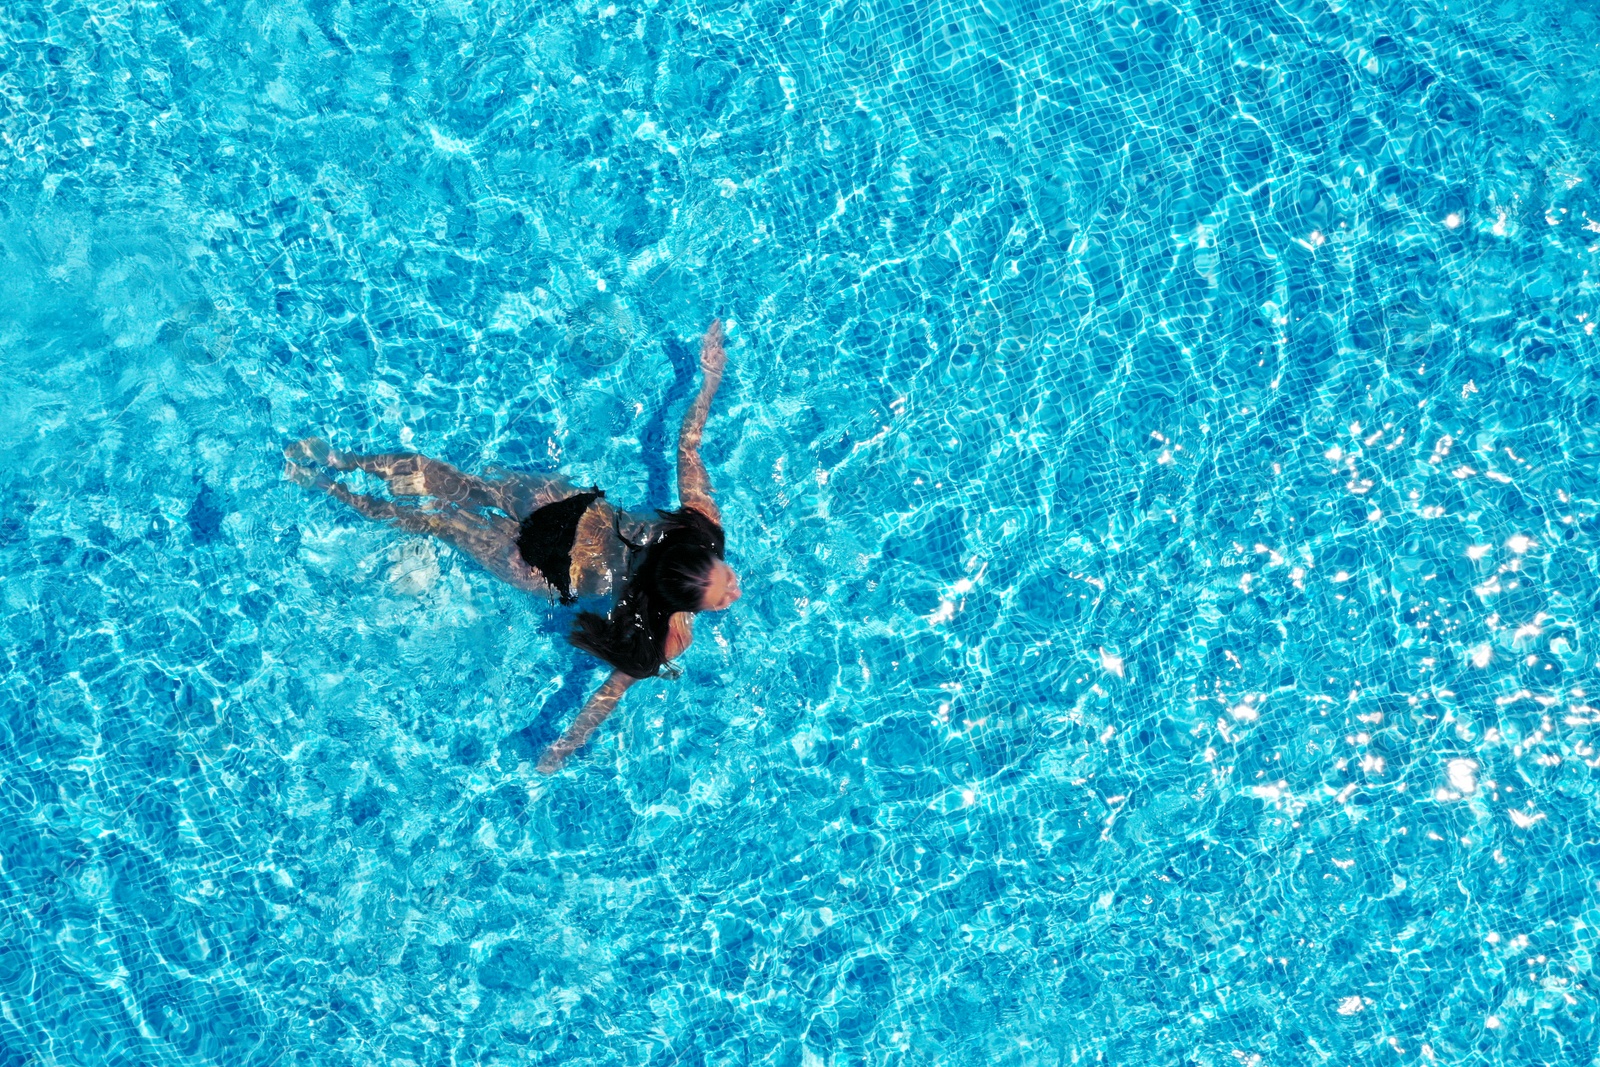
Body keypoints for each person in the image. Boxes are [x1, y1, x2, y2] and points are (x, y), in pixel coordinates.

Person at [283, 320, 740, 773]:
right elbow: (612, 690)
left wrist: (708, 383)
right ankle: (329, 485)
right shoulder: (671, 633)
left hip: (568, 510)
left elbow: (687, 448)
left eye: (722, 589)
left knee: (456, 490)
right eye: (726, 584)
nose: (735, 590)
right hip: (542, 568)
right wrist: (566, 744)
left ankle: (340, 466)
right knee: (435, 521)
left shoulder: (701, 523)